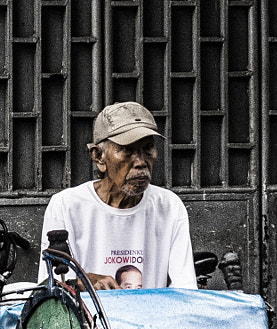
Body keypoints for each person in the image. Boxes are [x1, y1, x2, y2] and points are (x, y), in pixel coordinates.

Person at [39, 102, 197, 292]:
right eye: (127, 150)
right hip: (88, 321)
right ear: (99, 157)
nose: (140, 162)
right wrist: (82, 282)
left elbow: (186, 289)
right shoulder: (67, 205)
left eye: (148, 148)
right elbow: (50, 288)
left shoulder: (169, 206)